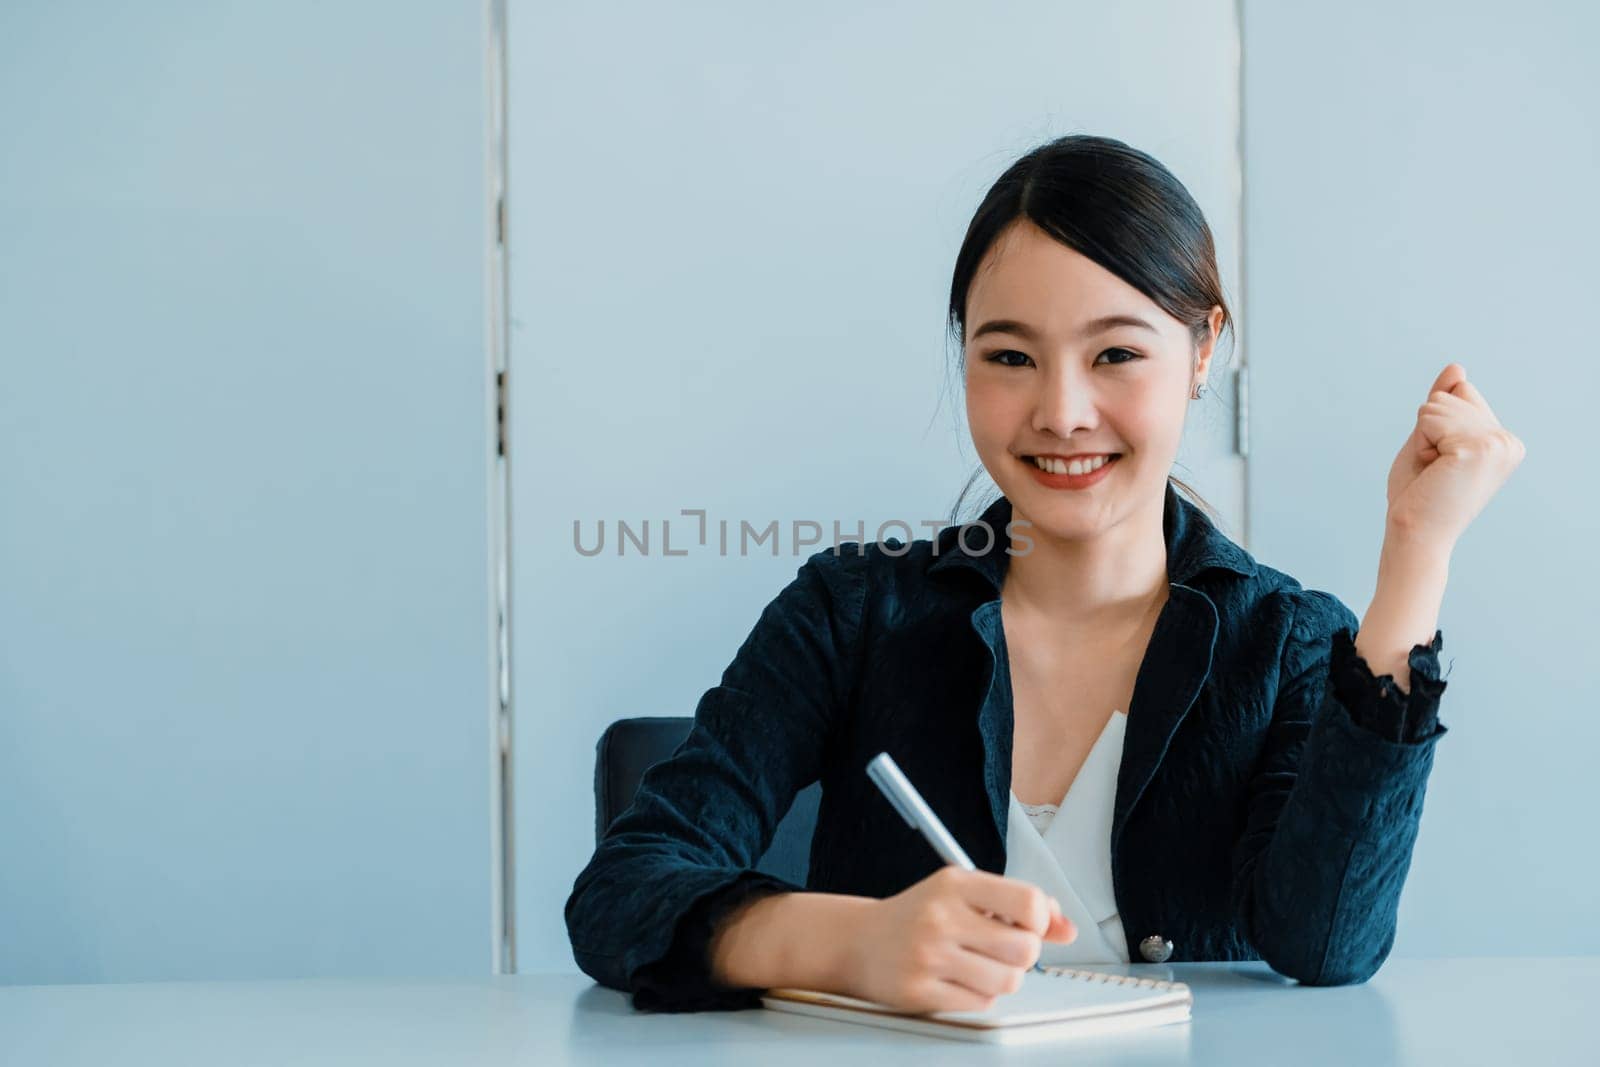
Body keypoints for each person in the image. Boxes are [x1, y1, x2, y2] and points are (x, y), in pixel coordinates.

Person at [564, 134, 1526, 1014]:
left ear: (1203, 350)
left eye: (1115, 353)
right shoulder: (850, 612)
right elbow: (622, 891)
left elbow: (1326, 943)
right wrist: (853, 942)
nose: (1062, 412)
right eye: (1011, 355)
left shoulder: (1284, 640)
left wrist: (1416, 551)